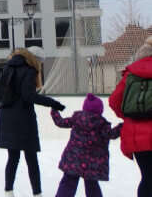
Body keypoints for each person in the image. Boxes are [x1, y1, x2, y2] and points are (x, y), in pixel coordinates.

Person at [0, 47, 65, 197]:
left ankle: (8, 191)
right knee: (31, 158)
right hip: (23, 119)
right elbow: (29, 96)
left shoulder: (7, 66)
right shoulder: (29, 70)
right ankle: (37, 193)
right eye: (40, 62)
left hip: (6, 116)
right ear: (35, 59)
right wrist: (53, 103)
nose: (40, 65)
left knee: (13, 157)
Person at [51, 93, 121, 197]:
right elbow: (111, 134)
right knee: (92, 186)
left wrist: (54, 110)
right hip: (92, 164)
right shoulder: (101, 124)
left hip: (73, 159)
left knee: (68, 183)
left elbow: (60, 122)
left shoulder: (76, 118)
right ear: (100, 110)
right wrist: (122, 127)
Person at [109, 36, 152, 197]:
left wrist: (128, 116)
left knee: (147, 178)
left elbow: (114, 101)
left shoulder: (130, 74)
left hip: (136, 136)